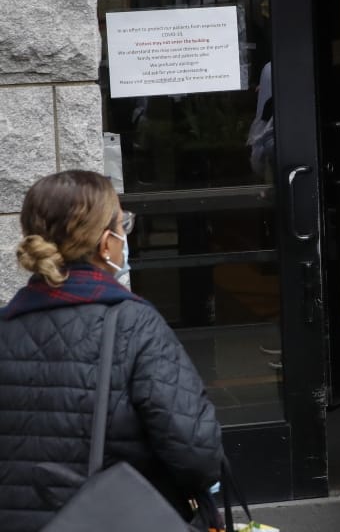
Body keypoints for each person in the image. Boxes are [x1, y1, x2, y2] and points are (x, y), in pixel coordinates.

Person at [0, 170, 224, 531]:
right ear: (106, 244)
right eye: (124, 225)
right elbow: (197, 455)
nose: (125, 237)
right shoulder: (135, 325)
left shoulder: (5, 326)